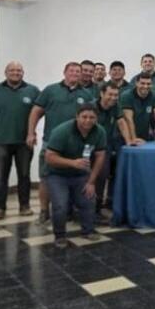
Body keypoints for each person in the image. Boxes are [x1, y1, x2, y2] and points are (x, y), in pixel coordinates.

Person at [28, 62, 94, 225]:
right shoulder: (50, 90)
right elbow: (36, 111)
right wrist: (31, 132)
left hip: (77, 146)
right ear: (64, 72)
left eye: (77, 71)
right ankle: (44, 212)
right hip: (51, 143)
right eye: (71, 71)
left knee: (76, 178)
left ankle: (70, 212)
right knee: (45, 178)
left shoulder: (86, 94)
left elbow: (92, 117)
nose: (74, 74)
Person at [0, 62, 39, 221]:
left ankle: (24, 206)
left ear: (23, 72)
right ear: (6, 72)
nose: (15, 73)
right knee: (1, 177)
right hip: (0, 142)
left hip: (24, 142)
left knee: (24, 175)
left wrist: (32, 132)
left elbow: (39, 111)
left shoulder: (32, 90)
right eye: (12, 70)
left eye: (19, 70)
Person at [44, 103, 107, 248]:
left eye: (92, 117)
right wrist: (72, 163)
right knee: (60, 205)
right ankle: (60, 236)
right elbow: (49, 157)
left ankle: (88, 231)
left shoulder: (100, 132)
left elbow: (100, 156)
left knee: (89, 199)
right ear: (77, 117)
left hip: (81, 174)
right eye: (84, 117)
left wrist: (91, 182)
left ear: (96, 119)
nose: (88, 120)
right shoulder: (61, 131)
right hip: (57, 175)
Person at [93, 82, 126, 218]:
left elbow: (121, 122)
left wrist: (129, 140)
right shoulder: (92, 107)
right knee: (98, 176)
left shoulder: (116, 106)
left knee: (109, 174)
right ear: (101, 94)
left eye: (116, 95)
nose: (113, 98)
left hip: (108, 146)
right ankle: (94, 208)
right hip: (92, 148)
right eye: (110, 94)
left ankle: (105, 205)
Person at [120, 73, 155, 144]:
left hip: (145, 134)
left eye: (148, 84)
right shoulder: (126, 96)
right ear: (136, 83)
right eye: (142, 83)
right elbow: (129, 119)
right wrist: (134, 138)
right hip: (126, 135)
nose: (145, 86)